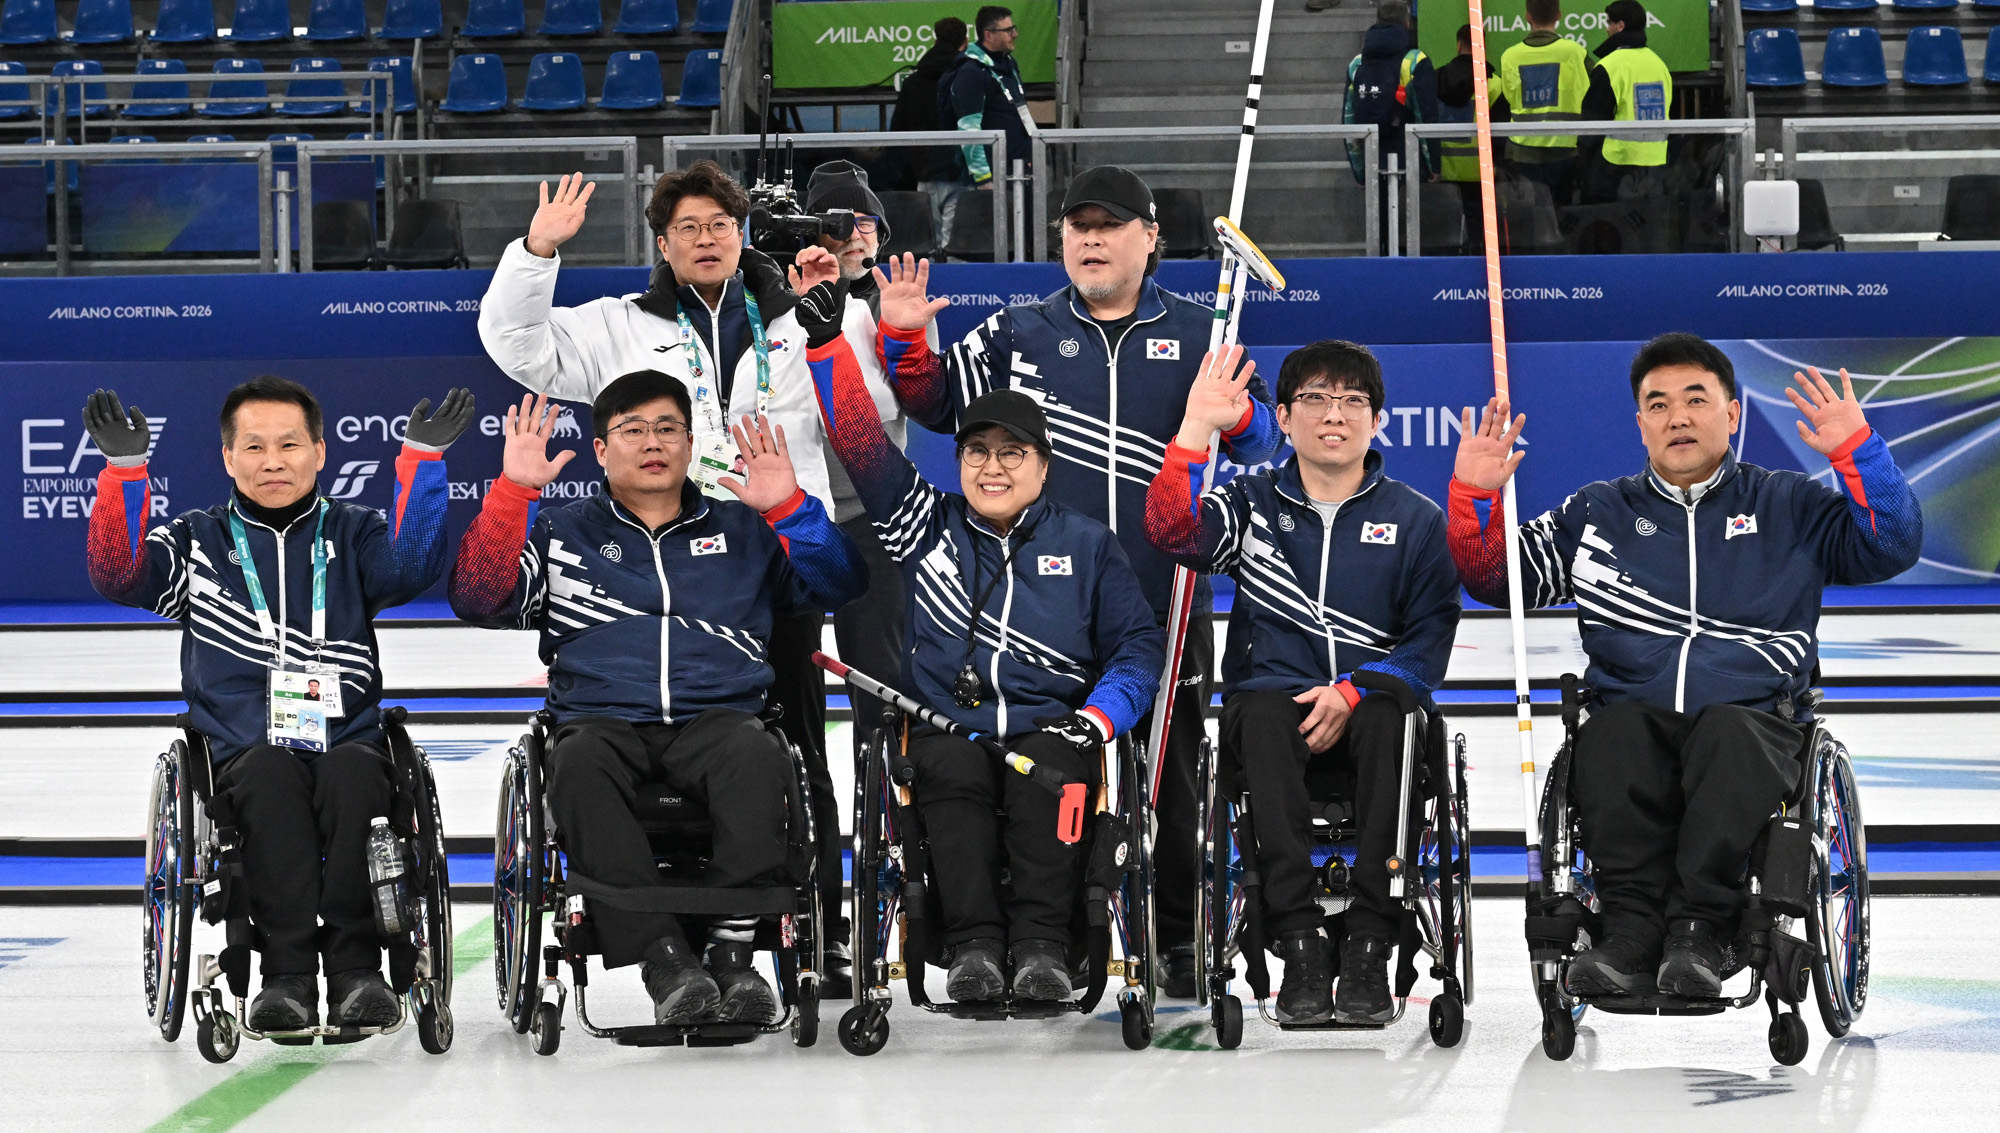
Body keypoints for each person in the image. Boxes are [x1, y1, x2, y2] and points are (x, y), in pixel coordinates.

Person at [475, 159, 896, 995]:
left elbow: (874, 417)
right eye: (689, 229)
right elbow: (517, 345)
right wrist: (536, 252)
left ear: (741, 237)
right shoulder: (617, 325)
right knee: (620, 744)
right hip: (644, 556)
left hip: (764, 559)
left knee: (794, 749)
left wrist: (832, 326)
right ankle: (677, 943)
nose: (707, 241)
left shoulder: (800, 318)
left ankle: (816, 931)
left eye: (721, 226)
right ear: (663, 245)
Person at [873, 164, 1283, 998]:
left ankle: (1172, 937)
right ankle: (1026, 940)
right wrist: (906, 342)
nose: (1090, 240)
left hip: (1162, 595)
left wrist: (1232, 414)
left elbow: (1266, 444)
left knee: (1165, 774)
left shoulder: (1204, 334)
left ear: (1150, 239)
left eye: (1110, 225)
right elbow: (933, 403)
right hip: (1039, 611)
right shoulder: (1015, 330)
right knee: (1029, 769)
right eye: (1076, 226)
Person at [1448, 334, 1922, 998]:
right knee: (1610, 735)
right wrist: (1475, 497)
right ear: (1639, 424)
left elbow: (1890, 546)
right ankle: (1630, 934)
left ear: (1733, 414)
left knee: (1728, 733)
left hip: (1754, 721)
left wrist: (1859, 453)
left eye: (1696, 400)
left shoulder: (1789, 504)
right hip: (1632, 718)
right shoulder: (1598, 512)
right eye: (1658, 404)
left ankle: (1702, 929)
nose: (1677, 417)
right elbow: (1498, 578)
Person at [792, 255, 1162, 1000]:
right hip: (946, 724)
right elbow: (863, 445)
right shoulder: (923, 523)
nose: (992, 467)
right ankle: (974, 951)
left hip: (1054, 725)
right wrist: (828, 344)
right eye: (977, 451)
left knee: (1051, 777)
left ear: (1044, 464)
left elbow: (1136, 649)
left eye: (1012, 453)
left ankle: (1043, 949)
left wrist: (1097, 720)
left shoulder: (1088, 544)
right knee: (951, 775)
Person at [449, 378, 866, 1024]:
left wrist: (789, 509)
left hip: (719, 715)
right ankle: (663, 956)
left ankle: (731, 954)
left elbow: (841, 582)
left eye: (668, 428)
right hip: (601, 719)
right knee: (578, 764)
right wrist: (512, 495)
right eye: (633, 429)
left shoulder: (740, 529)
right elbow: (479, 597)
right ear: (600, 448)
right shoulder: (562, 531)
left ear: (691, 443)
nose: (652, 442)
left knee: (759, 756)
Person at [85, 377, 468, 1033]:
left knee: (354, 776)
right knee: (269, 774)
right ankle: (285, 976)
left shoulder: (353, 531)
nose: (272, 460)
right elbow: (120, 576)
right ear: (227, 457)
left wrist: (423, 464)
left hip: (344, 733)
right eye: (254, 446)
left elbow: (410, 566)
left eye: (290, 444)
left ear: (320, 451)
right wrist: (124, 474)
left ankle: (356, 972)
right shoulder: (197, 540)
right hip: (242, 747)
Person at [1144, 340, 1460, 1024]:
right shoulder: (1249, 503)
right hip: (1275, 712)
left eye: (1352, 401)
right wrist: (1196, 431)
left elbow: (1430, 640)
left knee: (1392, 712)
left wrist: (1353, 688)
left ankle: (1373, 940)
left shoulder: (1415, 518)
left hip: (1373, 715)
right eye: (1315, 399)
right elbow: (1172, 533)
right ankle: (1300, 937)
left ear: (1378, 420)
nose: (1333, 415)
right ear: (1282, 418)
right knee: (1257, 712)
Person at [793, 161, 926, 758]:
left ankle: (896, 822)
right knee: (783, 687)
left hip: (874, 516)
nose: (855, 233)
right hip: (788, 514)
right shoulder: (773, 300)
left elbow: (910, 401)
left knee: (883, 685)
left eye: (867, 221)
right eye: (838, 221)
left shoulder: (898, 303)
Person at [1341, 0, 1438, 250]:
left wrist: (1359, 170)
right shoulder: (1415, 60)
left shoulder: (1357, 63)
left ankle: (1381, 268)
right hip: (1410, 160)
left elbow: (1349, 119)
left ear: (1377, 21)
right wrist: (1433, 165)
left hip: (1374, 157)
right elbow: (1426, 117)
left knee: (1380, 230)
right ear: (1407, 23)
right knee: (1412, 230)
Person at [1494, 0, 1611, 204]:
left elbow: (1510, 97)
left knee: (1530, 215)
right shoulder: (1575, 52)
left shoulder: (1509, 57)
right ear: (1559, 15)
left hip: (1522, 149)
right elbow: (1599, 89)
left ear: (1527, 17)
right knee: (1562, 214)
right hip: (1566, 148)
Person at [1582, 0, 1673, 204]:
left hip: (1615, 165)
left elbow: (1592, 121)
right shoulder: (1659, 65)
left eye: (1609, 23)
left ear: (1620, 26)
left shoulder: (1609, 66)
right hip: (1656, 163)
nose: (1607, 29)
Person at [941, 5, 1032, 190]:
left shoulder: (1009, 64)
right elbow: (969, 130)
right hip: (992, 180)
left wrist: (1029, 158)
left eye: (1013, 28)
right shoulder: (971, 73)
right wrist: (983, 180)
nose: (1014, 34)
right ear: (988, 35)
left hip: (1019, 172)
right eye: (1008, 30)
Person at [1435, 24, 1504, 253]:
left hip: (1443, 170)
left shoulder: (1436, 80)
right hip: (1482, 172)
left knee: (1445, 234)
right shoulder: (1494, 83)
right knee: (1482, 237)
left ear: (1458, 45)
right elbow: (1502, 133)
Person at [893, 16, 968, 202]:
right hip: (960, 171)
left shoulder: (913, 83)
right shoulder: (967, 77)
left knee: (928, 229)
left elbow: (897, 130)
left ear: (935, 41)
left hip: (923, 172)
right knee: (958, 229)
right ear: (965, 42)